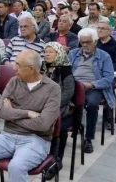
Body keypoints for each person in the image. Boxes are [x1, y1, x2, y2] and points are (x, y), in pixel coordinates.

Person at [0, 50, 60, 182]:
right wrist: (27, 113)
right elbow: (0, 112)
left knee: (16, 166)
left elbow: (43, 124)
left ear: (31, 69)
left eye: (18, 65)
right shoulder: (14, 81)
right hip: (8, 136)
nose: (14, 68)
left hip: (36, 140)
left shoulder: (52, 88)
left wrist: (12, 114)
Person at [69, 28, 115, 154]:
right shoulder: (73, 54)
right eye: (82, 42)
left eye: (88, 42)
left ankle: (88, 138)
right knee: (58, 100)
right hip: (74, 85)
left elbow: (108, 78)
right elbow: (67, 72)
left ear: (95, 42)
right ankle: (66, 130)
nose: (84, 45)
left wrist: (90, 85)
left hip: (93, 87)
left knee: (92, 104)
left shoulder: (104, 56)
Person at [42, 42, 75, 179]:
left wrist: (51, 104)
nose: (47, 54)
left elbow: (68, 93)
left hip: (64, 108)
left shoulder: (65, 70)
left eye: (51, 51)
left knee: (59, 127)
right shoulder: (42, 68)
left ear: (59, 53)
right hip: (44, 105)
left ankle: (57, 159)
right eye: (46, 51)